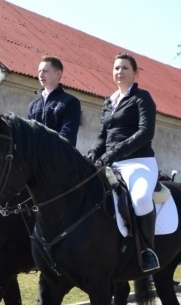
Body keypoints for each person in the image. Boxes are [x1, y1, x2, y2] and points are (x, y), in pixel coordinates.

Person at [87, 53, 160, 272]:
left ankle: (148, 250)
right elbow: (102, 136)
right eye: (116, 68)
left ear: (135, 73)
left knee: (140, 198)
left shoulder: (142, 98)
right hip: (111, 163)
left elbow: (146, 132)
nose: (120, 72)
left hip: (139, 162)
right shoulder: (108, 102)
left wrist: (115, 152)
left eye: (125, 68)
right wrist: (92, 154)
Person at [27, 55, 82, 146]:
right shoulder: (33, 106)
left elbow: (67, 137)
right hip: (35, 159)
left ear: (58, 74)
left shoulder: (70, 102)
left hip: (59, 158)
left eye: (45, 71)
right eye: (39, 71)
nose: (40, 75)